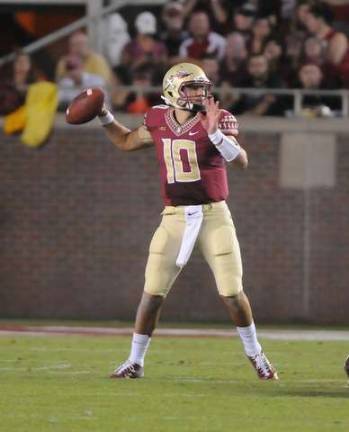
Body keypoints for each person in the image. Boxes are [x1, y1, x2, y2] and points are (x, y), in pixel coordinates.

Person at [93, 62, 278, 380]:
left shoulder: (217, 118)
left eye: (202, 87)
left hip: (213, 215)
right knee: (152, 293)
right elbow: (125, 141)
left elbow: (242, 161)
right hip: (175, 217)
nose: (200, 93)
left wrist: (216, 135)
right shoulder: (157, 119)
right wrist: (104, 116)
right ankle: (135, 361)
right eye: (192, 87)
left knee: (232, 292)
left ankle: (257, 356)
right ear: (173, 90)